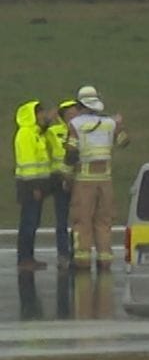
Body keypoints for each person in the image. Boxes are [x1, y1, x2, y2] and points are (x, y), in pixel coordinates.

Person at [68, 85, 127, 271]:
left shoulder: (75, 125)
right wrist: (118, 125)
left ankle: (82, 262)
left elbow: (70, 154)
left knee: (82, 221)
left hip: (84, 180)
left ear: (80, 104)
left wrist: (66, 176)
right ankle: (104, 260)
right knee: (104, 221)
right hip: (105, 180)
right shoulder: (110, 123)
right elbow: (124, 142)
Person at [12, 100, 54, 271]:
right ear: (33, 115)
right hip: (29, 186)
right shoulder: (26, 134)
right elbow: (28, 162)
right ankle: (25, 258)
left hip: (35, 186)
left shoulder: (35, 133)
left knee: (33, 221)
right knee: (28, 222)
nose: (43, 115)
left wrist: (49, 120)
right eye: (41, 112)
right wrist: (35, 187)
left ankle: (28, 257)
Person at [46, 100, 80, 268]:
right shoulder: (53, 131)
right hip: (59, 180)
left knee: (77, 219)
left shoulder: (82, 131)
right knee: (61, 219)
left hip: (78, 180)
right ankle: (63, 255)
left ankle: (77, 252)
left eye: (76, 112)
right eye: (70, 113)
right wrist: (46, 121)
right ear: (63, 115)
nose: (73, 116)